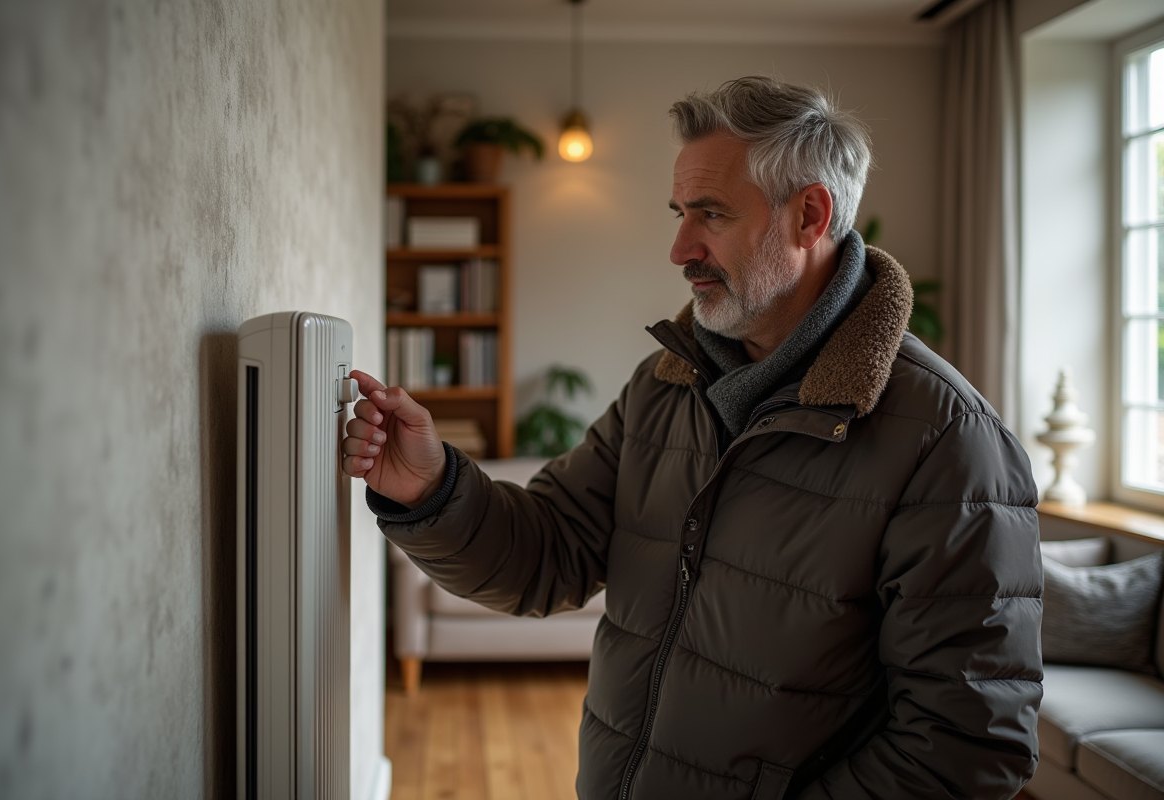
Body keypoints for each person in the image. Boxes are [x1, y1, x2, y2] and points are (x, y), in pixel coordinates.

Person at [343, 76, 1043, 800]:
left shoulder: (949, 441)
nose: (679, 248)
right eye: (680, 212)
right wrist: (431, 489)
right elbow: (546, 553)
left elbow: (963, 745)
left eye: (710, 214)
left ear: (809, 215)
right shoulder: (665, 384)